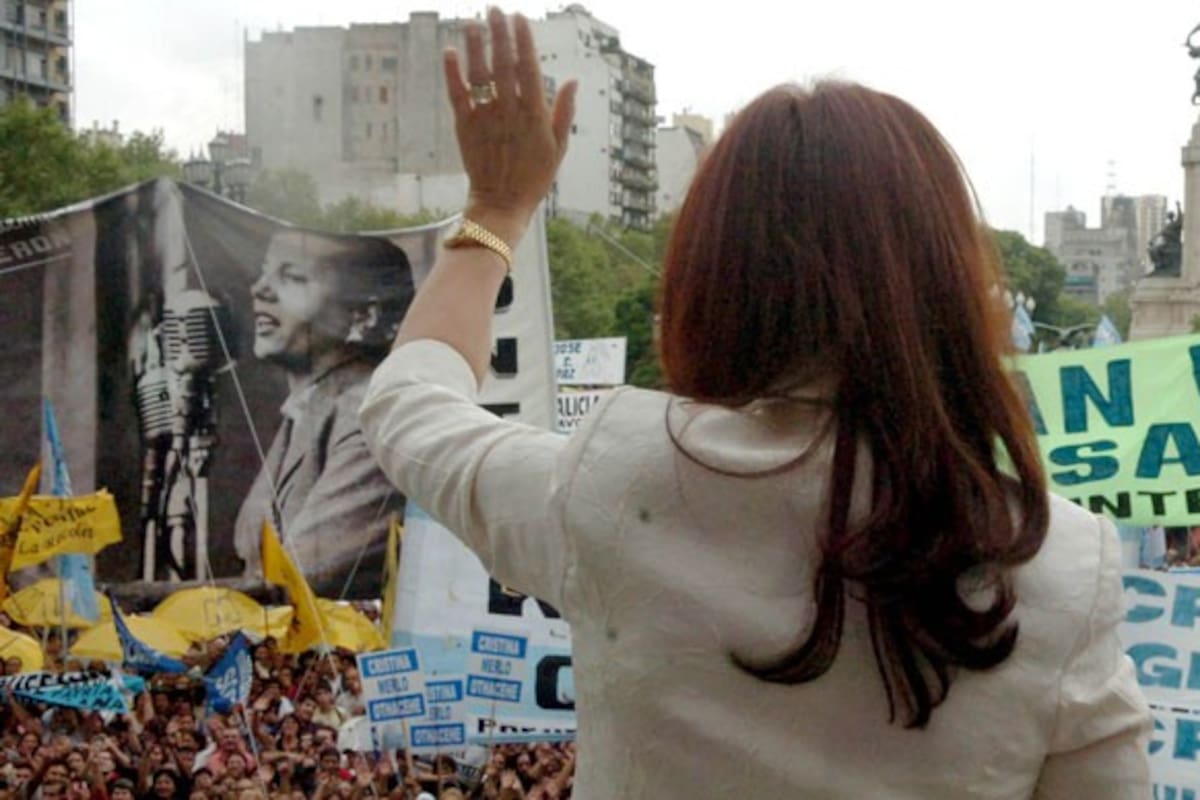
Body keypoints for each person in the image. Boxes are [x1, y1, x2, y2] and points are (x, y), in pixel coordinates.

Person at [358, 9, 1151, 798]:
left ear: (712, 279)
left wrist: (497, 209)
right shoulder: (1063, 565)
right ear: (947, 287)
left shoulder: (621, 481)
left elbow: (409, 407)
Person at [233, 227, 414, 596]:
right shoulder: (310, 407)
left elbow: (293, 581)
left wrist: (129, 597)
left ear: (364, 315)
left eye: (293, 277)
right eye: (265, 272)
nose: (260, 289)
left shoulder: (371, 414)